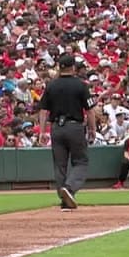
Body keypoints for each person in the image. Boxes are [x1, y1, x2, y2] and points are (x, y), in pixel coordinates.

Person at [37, 54, 96, 211]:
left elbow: (43, 110)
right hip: (74, 126)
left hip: (56, 127)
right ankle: (69, 189)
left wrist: (42, 131)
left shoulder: (51, 85)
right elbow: (90, 111)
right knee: (81, 162)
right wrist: (92, 129)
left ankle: (64, 200)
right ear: (73, 67)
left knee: (60, 165)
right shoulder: (81, 85)